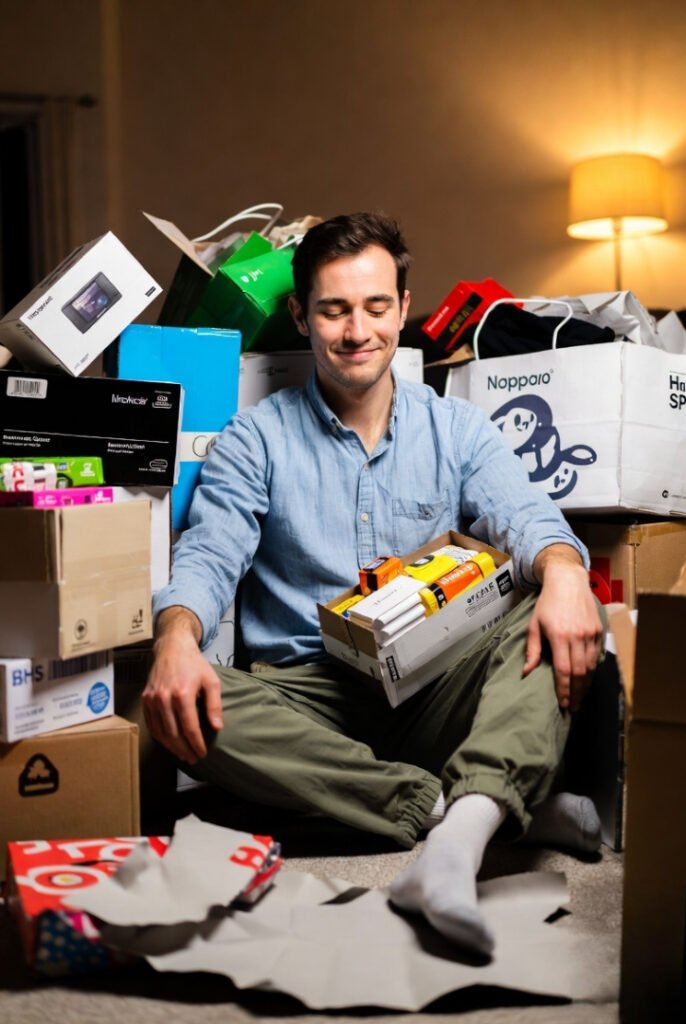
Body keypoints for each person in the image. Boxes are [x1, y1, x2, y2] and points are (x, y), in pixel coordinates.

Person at [143, 212, 605, 957]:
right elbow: (210, 554)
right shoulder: (255, 437)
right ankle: (462, 808)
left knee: (548, 611)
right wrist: (175, 640)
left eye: (375, 306)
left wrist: (564, 571)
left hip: (436, 686)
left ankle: (450, 845)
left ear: (402, 307)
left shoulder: (456, 428)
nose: (357, 330)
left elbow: (526, 516)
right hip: (309, 698)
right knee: (179, 702)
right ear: (302, 316)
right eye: (334, 310)